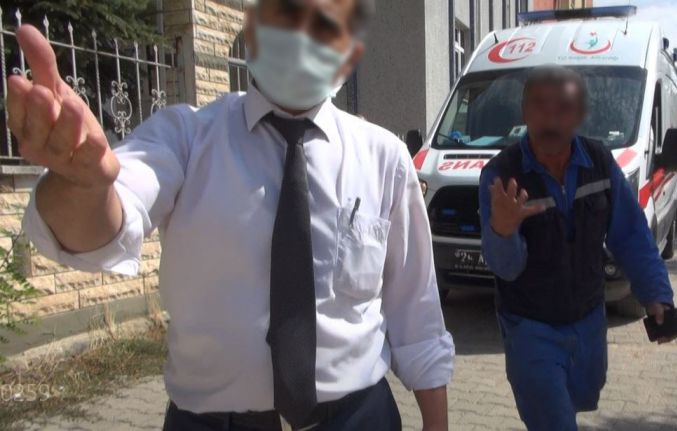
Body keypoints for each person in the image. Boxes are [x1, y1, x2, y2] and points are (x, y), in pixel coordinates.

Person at [9, 1, 454, 430]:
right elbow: (113, 213)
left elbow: (416, 309)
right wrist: (81, 186)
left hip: (358, 418)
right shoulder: (187, 138)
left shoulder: (384, 158)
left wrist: (436, 423)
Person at [479, 65, 677, 431]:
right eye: (540, 106)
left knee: (581, 396)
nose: (551, 118)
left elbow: (631, 235)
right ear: (525, 112)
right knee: (554, 419)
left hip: (588, 323)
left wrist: (657, 297)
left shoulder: (599, 162)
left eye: (563, 107)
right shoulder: (500, 175)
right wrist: (502, 231)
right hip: (530, 327)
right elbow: (505, 268)